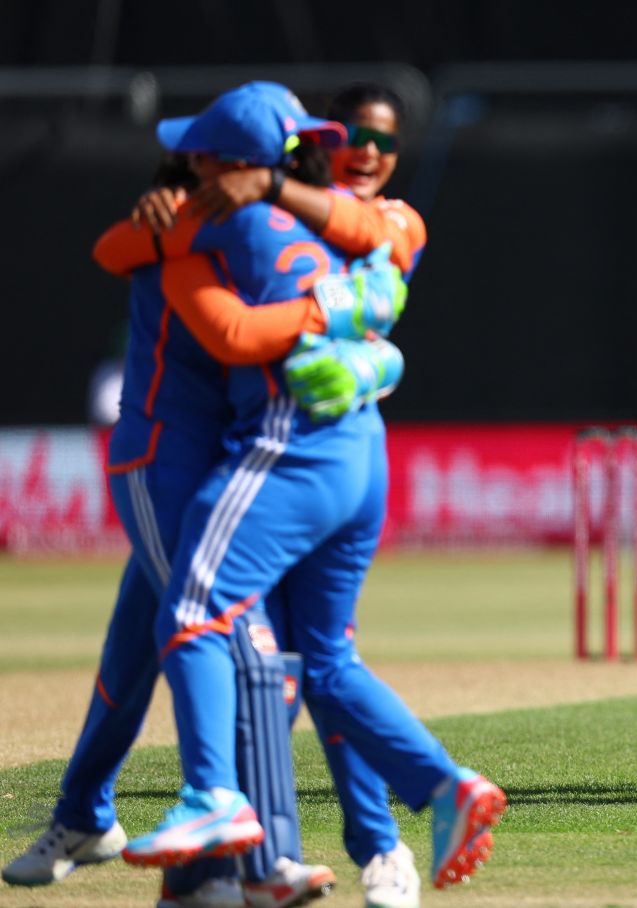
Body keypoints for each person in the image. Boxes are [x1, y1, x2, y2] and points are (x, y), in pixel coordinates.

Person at [109, 81, 504, 901]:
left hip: (288, 450)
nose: (367, 152)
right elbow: (364, 251)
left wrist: (199, 207)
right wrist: (338, 307)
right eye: (352, 136)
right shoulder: (355, 227)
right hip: (359, 456)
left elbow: (127, 262)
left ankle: (227, 813)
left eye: (384, 142)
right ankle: (436, 793)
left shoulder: (266, 218)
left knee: (195, 616)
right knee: (318, 665)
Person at [0, 140, 393, 907]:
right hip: (162, 465)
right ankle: (263, 860)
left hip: (215, 473)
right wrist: (343, 315)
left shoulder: (246, 230)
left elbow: (382, 238)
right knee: (238, 643)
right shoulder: (186, 235)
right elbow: (228, 332)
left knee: (137, 653)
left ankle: (107, 828)